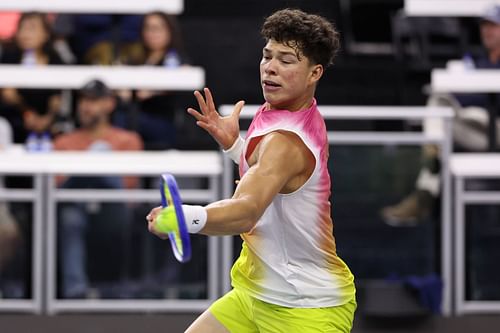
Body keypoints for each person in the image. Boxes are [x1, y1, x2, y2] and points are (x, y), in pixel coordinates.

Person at [147, 9, 356, 333]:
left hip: (306, 310)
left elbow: (246, 212)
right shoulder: (284, 111)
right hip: (252, 295)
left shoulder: (286, 143)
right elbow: (276, 176)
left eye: (286, 60)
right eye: (267, 55)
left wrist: (183, 218)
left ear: (315, 73)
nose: (270, 68)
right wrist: (236, 147)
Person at [381, 4, 500, 225]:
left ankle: (429, 170)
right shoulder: (478, 61)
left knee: (450, 111)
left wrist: (467, 87)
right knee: (439, 103)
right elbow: (461, 95)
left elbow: (480, 97)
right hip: (477, 126)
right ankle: (432, 160)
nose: (487, 32)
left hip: (495, 127)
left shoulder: (483, 66)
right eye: (485, 26)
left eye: (493, 27)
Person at [54, 79, 143, 298]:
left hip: (114, 207)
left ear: (109, 104)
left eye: (93, 100)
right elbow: (56, 187)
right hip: (76, 204)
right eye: (83, 100)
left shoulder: (128, 140)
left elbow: (130, 186)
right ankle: (75, 291)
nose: (85, 106)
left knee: (101, 150)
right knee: (69, 218)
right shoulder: (64, 142)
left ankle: (117, 290)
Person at [116, 11, 189, 150]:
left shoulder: (174, 58)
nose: (152, 33)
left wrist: (151, 90)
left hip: (162, 119)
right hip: (134, 114)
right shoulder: (137, 59)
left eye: (158, 28)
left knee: (125, 121)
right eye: (148, 28)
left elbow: (181, 77)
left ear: (170, 30)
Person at [0, 12, 64, 143]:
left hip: (48, 120)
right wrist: (27, 114)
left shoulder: (55, 59)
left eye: (32, 28)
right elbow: (9, 95)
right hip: (16, 118)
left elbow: (57, 98)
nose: (26, 34)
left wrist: (48, 118)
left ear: (46, 34)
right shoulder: (9, 57)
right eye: (22, 28)